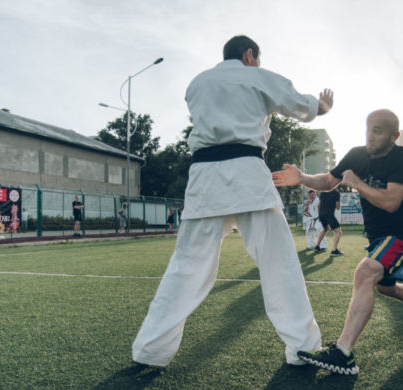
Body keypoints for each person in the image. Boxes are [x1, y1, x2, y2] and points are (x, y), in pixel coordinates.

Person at [132, 35, 333, 367]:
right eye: (257, 58)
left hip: (204, 179)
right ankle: (302, 348)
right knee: (278, 264)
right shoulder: (255, 75)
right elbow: (299, 105)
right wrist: (323, 106)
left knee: (185, 270)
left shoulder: (197, 83)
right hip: (247, 176)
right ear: (250, 54)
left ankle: (149, 352)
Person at [272, 109, 403, 375]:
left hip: (402, 235)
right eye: (368, 128)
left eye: (378, 130)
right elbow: (329, 181)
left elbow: (391, 202)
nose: (370, 135)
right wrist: (303, 178)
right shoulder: (356, 154)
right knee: (386, 288)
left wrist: (356, 183)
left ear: (395, 136)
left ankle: (343, 353)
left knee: (365, 272)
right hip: (379, 237)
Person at [314, 189, 343, 256]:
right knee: (338, 231)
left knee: (325, 228)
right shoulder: (336, 193)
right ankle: (334, 250)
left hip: (321, 215)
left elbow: (318, 205)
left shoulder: (323, 192)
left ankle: (317, 246)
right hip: (329, 214)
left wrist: (320, 214)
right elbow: (338, 207)